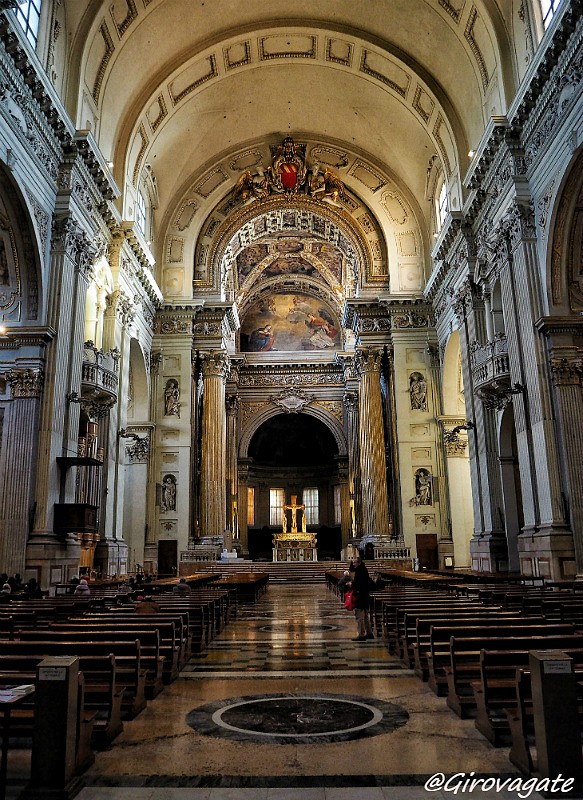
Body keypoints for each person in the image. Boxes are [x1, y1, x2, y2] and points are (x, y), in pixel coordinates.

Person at [351, 554, 374, 641]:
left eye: (354, 562)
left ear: (358, 562)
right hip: (365, 596)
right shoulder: (364, 569)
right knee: (365, 616)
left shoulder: (359, 571)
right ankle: (369, 632)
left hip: (360, 596)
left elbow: (358, 584)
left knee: (359, 616)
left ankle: (361, 634)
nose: (353, 564)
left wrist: (352, 585)